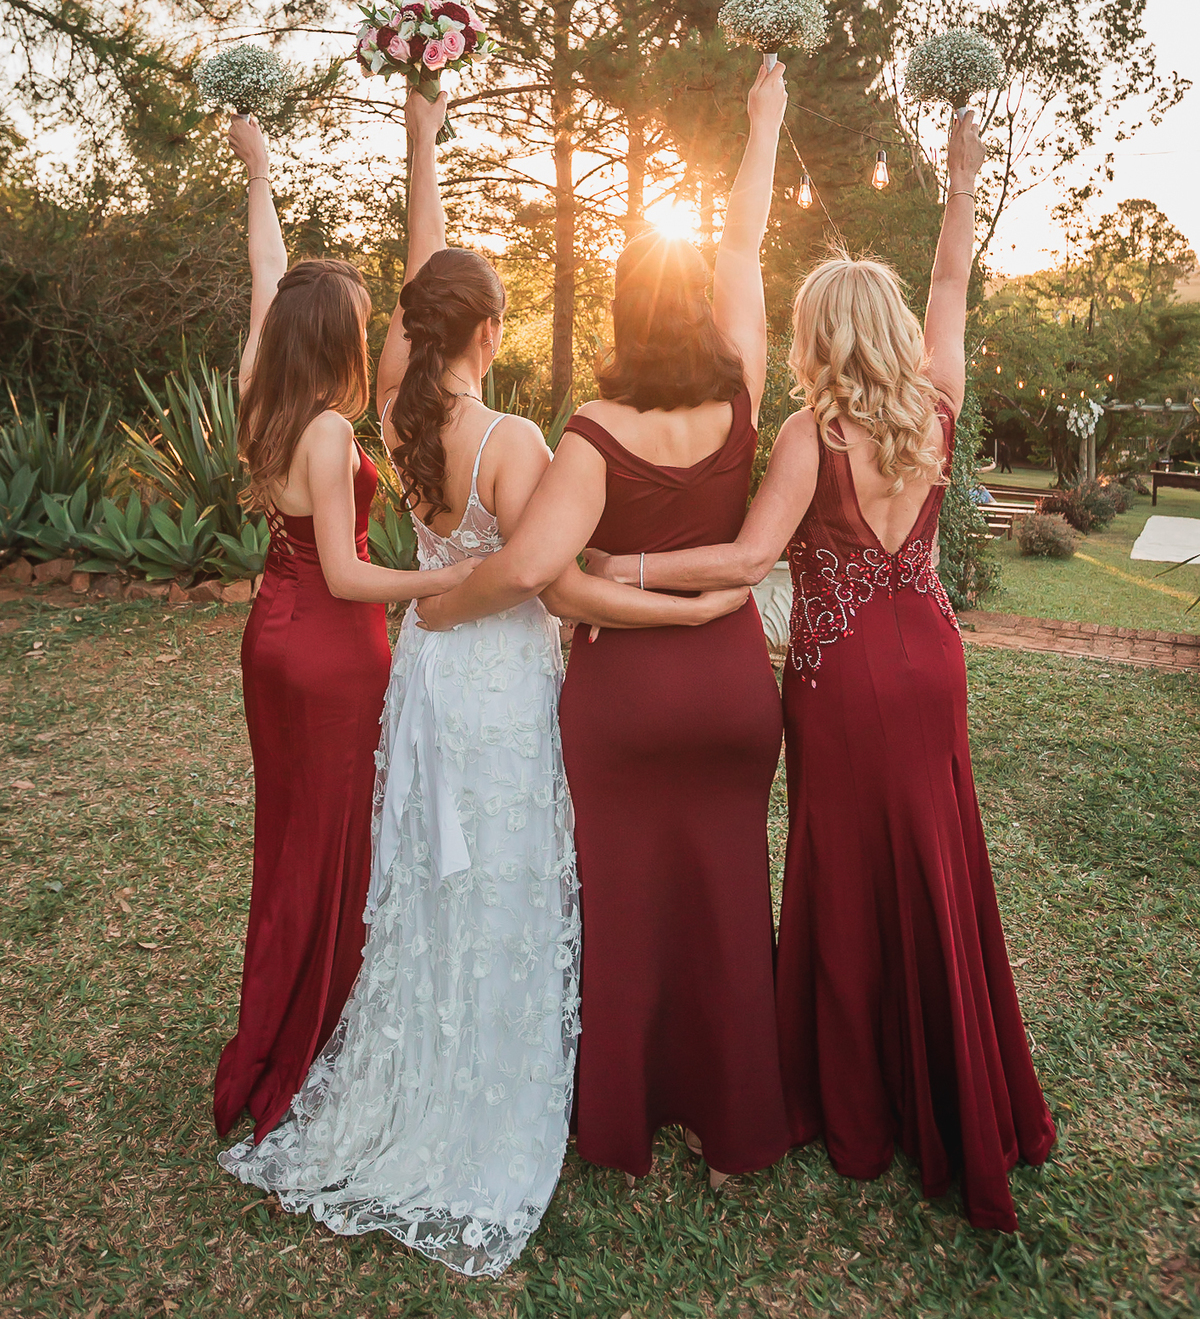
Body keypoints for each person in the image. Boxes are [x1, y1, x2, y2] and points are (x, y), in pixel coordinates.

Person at [220, 89, 739, 1276]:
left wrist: (417, 141)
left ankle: (417, 1066)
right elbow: (541, 580)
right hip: (492, 681)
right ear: (492, 332)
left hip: (425, 686)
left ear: (419, 333)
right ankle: (492, 1097)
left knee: (427, 879)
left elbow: (467, 557)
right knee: (500, 878)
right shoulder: (514, 444)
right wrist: (674, 601)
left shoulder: (400, 436)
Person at [588, 112, 1056, 1231]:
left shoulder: (814, 434)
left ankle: (856, 1098)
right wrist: (961, 179)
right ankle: (952, 1085)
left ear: (813, 335)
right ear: (887, 327)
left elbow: (752, 559)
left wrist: (629, 559)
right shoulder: (933, 406)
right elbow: (954, 276)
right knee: (940, 868)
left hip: (843, 678)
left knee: (844, 876)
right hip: (931, 661)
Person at [418, 64, 793, 1191]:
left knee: (623, 897)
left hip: (626, 698)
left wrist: (462, 595)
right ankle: (738, 1133)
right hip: (731, 685)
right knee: (730, 894)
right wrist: (762, 122)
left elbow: (534, 567)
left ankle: (620, 1128)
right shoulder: (742, 404)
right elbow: (741, 253)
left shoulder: (591, 429)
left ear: (623, 313)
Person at [213, 115, 473, 1146]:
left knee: (291, 838)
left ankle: (284, 1012)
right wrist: (447, 577)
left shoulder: (260, 393)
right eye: (365, 325)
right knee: (332, 844)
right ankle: (313, 1030)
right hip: (328, 651)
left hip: (269, 643)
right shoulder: (326, 431)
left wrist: (260, 170)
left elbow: (266, 270)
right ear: (340, 341)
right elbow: (346, 571)